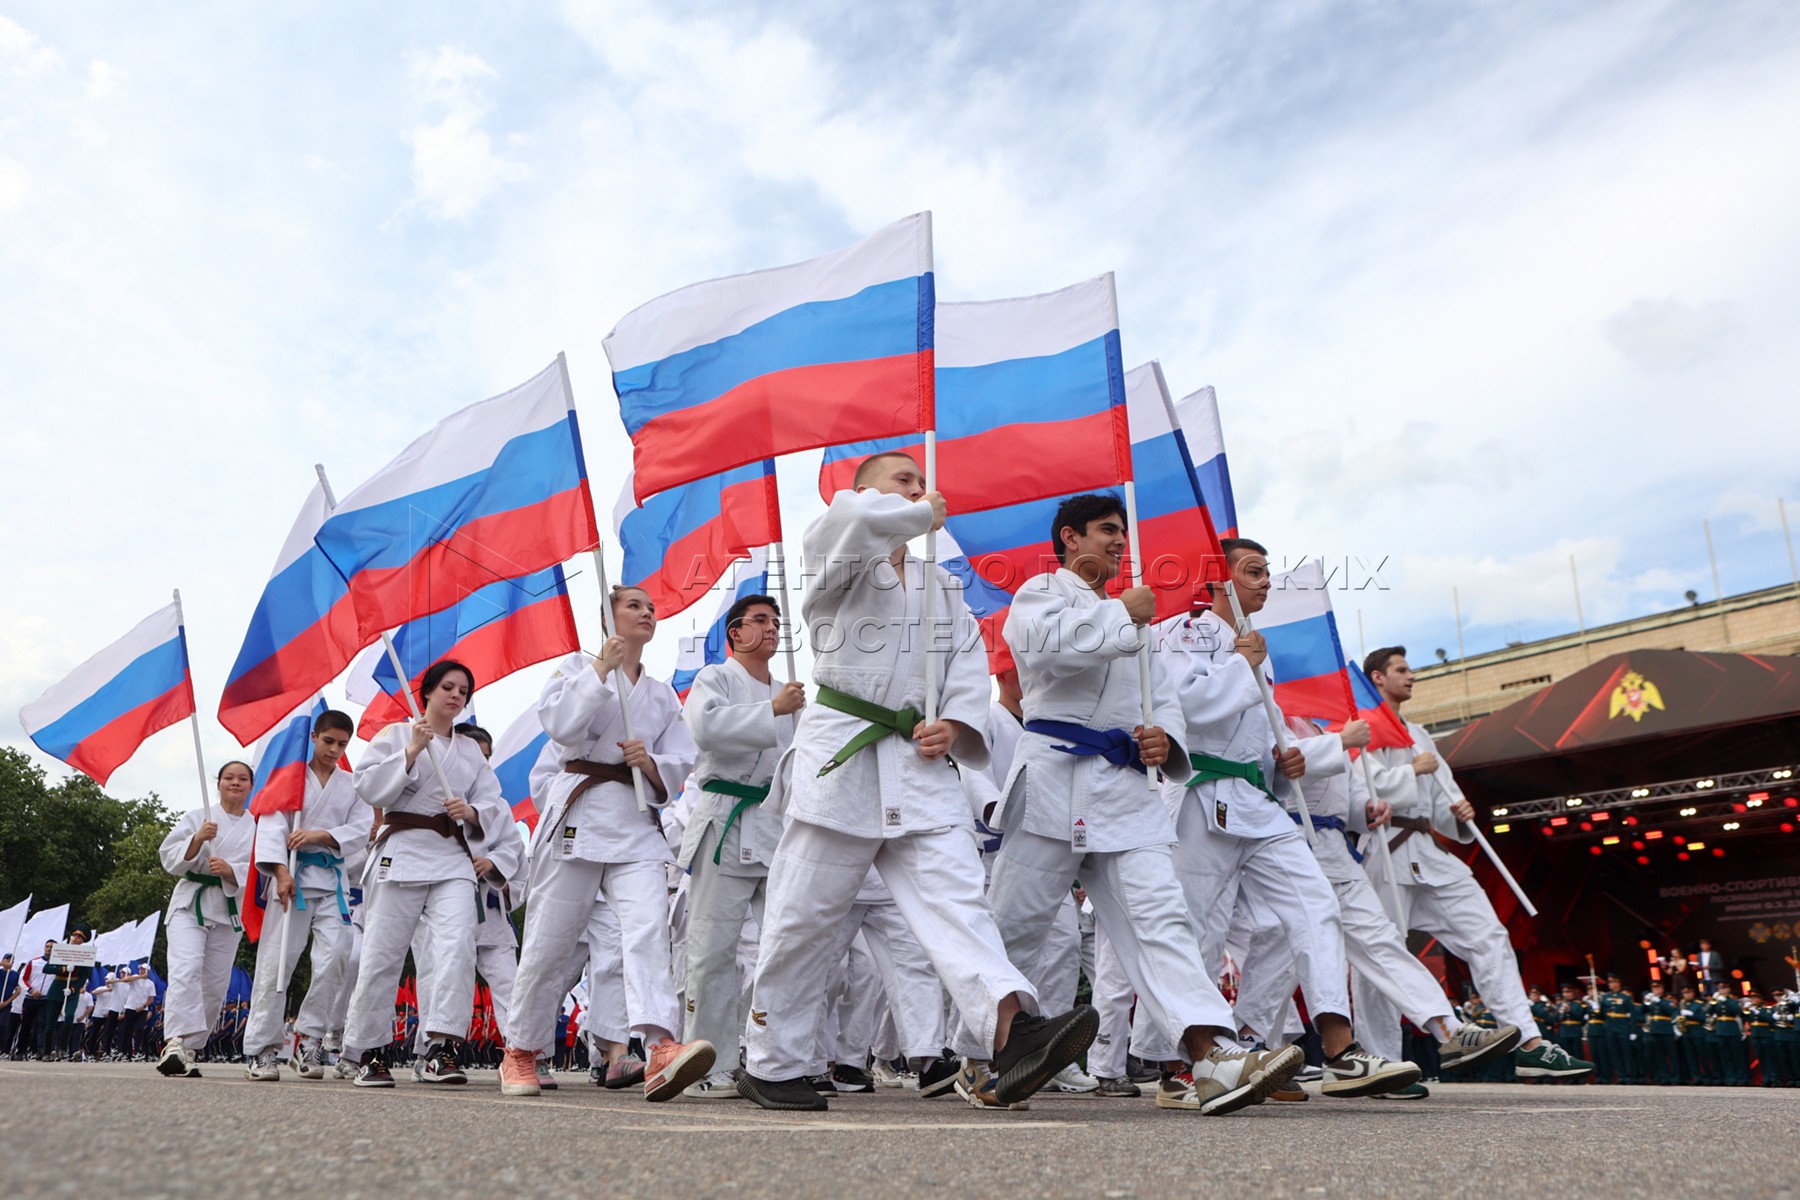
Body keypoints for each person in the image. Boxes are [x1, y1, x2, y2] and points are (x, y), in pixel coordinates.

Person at [740, 453, 1091, 1113]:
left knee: (960, 903)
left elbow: (963, 662)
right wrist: (914, 511)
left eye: (920, 480)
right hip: (841, 754)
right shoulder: (833, 549)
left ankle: (1013, 1030)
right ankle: (772, 1060)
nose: (918, 488)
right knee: (804, 919)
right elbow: (857, 522)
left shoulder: (942, 586)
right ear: (865, 492)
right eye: (901, 479)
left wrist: (955, 724)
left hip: (919, 766)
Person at [983, 492, 1291, 1116]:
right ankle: (986, 1052)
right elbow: (1044, 650)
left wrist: (1164, 738)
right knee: (1014, 927)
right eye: (1105, 530)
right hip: (1051, 779)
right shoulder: (1042, 593)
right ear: (1070, 538)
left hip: (1124, 791)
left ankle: (1211, 1055)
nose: (1119, 541)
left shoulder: (1138, 618)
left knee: (1163, 919)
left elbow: (1165, 699)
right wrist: (1124, 613)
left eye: (1122, 531)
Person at [1147, 538, 1425, 1101]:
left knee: (1316, 903)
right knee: (1195, 933)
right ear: (1218, 580)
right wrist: (1240, 665)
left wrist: (1286, 762)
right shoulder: (1182, 631)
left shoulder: (1256, 647)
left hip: (1256, 799)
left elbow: (1260, 736)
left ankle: (1341, 1049)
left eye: (1267, 571)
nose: (1266, 581)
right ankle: (1179, 1066)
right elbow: (1189, 707)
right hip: (1199, 795)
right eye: (1252, 571)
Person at [499, 587, 710, 1102]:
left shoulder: (661, 694)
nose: (646, 612)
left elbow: (681, 756)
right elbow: (561, 727)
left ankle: (659, 1045)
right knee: (551, 937)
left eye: (651, 607)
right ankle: (520, 1050)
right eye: (633, 605)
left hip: (634, 818)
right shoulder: (573, 669)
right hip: (580, 811)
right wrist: (599, 672)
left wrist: (652, 764)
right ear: (606, 617)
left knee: (646, 929)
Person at [1354, 647, 1593, 1082]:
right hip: (1385, 852)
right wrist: (1411, 771)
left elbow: (1442, 794)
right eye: (1402, 670)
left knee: (1489, 935)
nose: (1412, 677)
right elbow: (1365, 789)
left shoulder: (1421, 734)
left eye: (1411, 669)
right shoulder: (1359, 730)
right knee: (1381, 957)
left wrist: (1458, 813)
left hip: (1429, 851)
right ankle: (1383, 1062)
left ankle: (1529, 1043)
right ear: (1377, 678)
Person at [341, 659, 509, 1087]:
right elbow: (367, 787)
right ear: (428, 692)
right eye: (449, 688)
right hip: (402, 849)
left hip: (452, 856)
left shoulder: (470, 751)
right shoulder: (397, 735)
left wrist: (470, 811)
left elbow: (494, 803)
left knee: (457, 948)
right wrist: (412, 751)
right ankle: (371, 1051)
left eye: (463, 691)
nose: (456, 696)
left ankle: (441, 1047)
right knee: (382, 952)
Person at [677, 592, 803, 1098]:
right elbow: (706, 730)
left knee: (792, 942)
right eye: (759, 621)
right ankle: (706, 1062)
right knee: (711, 950)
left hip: (774, 824)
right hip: (724, 820)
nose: (771, 628)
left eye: (775, 621)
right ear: (735, 633)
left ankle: (776, 1054)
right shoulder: (717, 678)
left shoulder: (789, 692)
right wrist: (772, 709)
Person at [241, 708, 366, 1082]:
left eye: (342, 744)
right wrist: (280, 871)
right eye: (328, 741)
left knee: (338, 955)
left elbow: (360, 829)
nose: (334, 749)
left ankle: (310, 1038)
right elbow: (272, 823)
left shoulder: (352, 784)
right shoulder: (290, 779)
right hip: (291, 878)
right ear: (313, 737)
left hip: (332, 881)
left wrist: (320, 836)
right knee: (278, 961)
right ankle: (262, 1049)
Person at [156, 760, 257, 1077]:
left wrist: (232, 871)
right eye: (229, 777)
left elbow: (262, 869)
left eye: (242, 779)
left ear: (251, 786)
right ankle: (174, 1041)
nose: (235, 783)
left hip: (229, 910)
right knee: (186, 968)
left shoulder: (259, 826)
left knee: (215, 985)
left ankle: (190, 1047)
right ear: (219, 783)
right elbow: (169, 858)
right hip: (191, 904)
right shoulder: (198, 817)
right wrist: (197, 839)